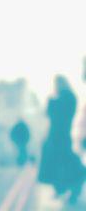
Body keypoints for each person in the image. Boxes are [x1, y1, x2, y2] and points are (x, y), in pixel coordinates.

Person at [38, 75, 85, 204]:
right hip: (56, 134)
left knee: (61, 160)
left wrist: (51, 101)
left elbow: (55, 114)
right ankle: (63, 185)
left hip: (61, 134)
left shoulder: (67, 97)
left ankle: (72, 180)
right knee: (58, 161)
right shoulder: (66, 97)